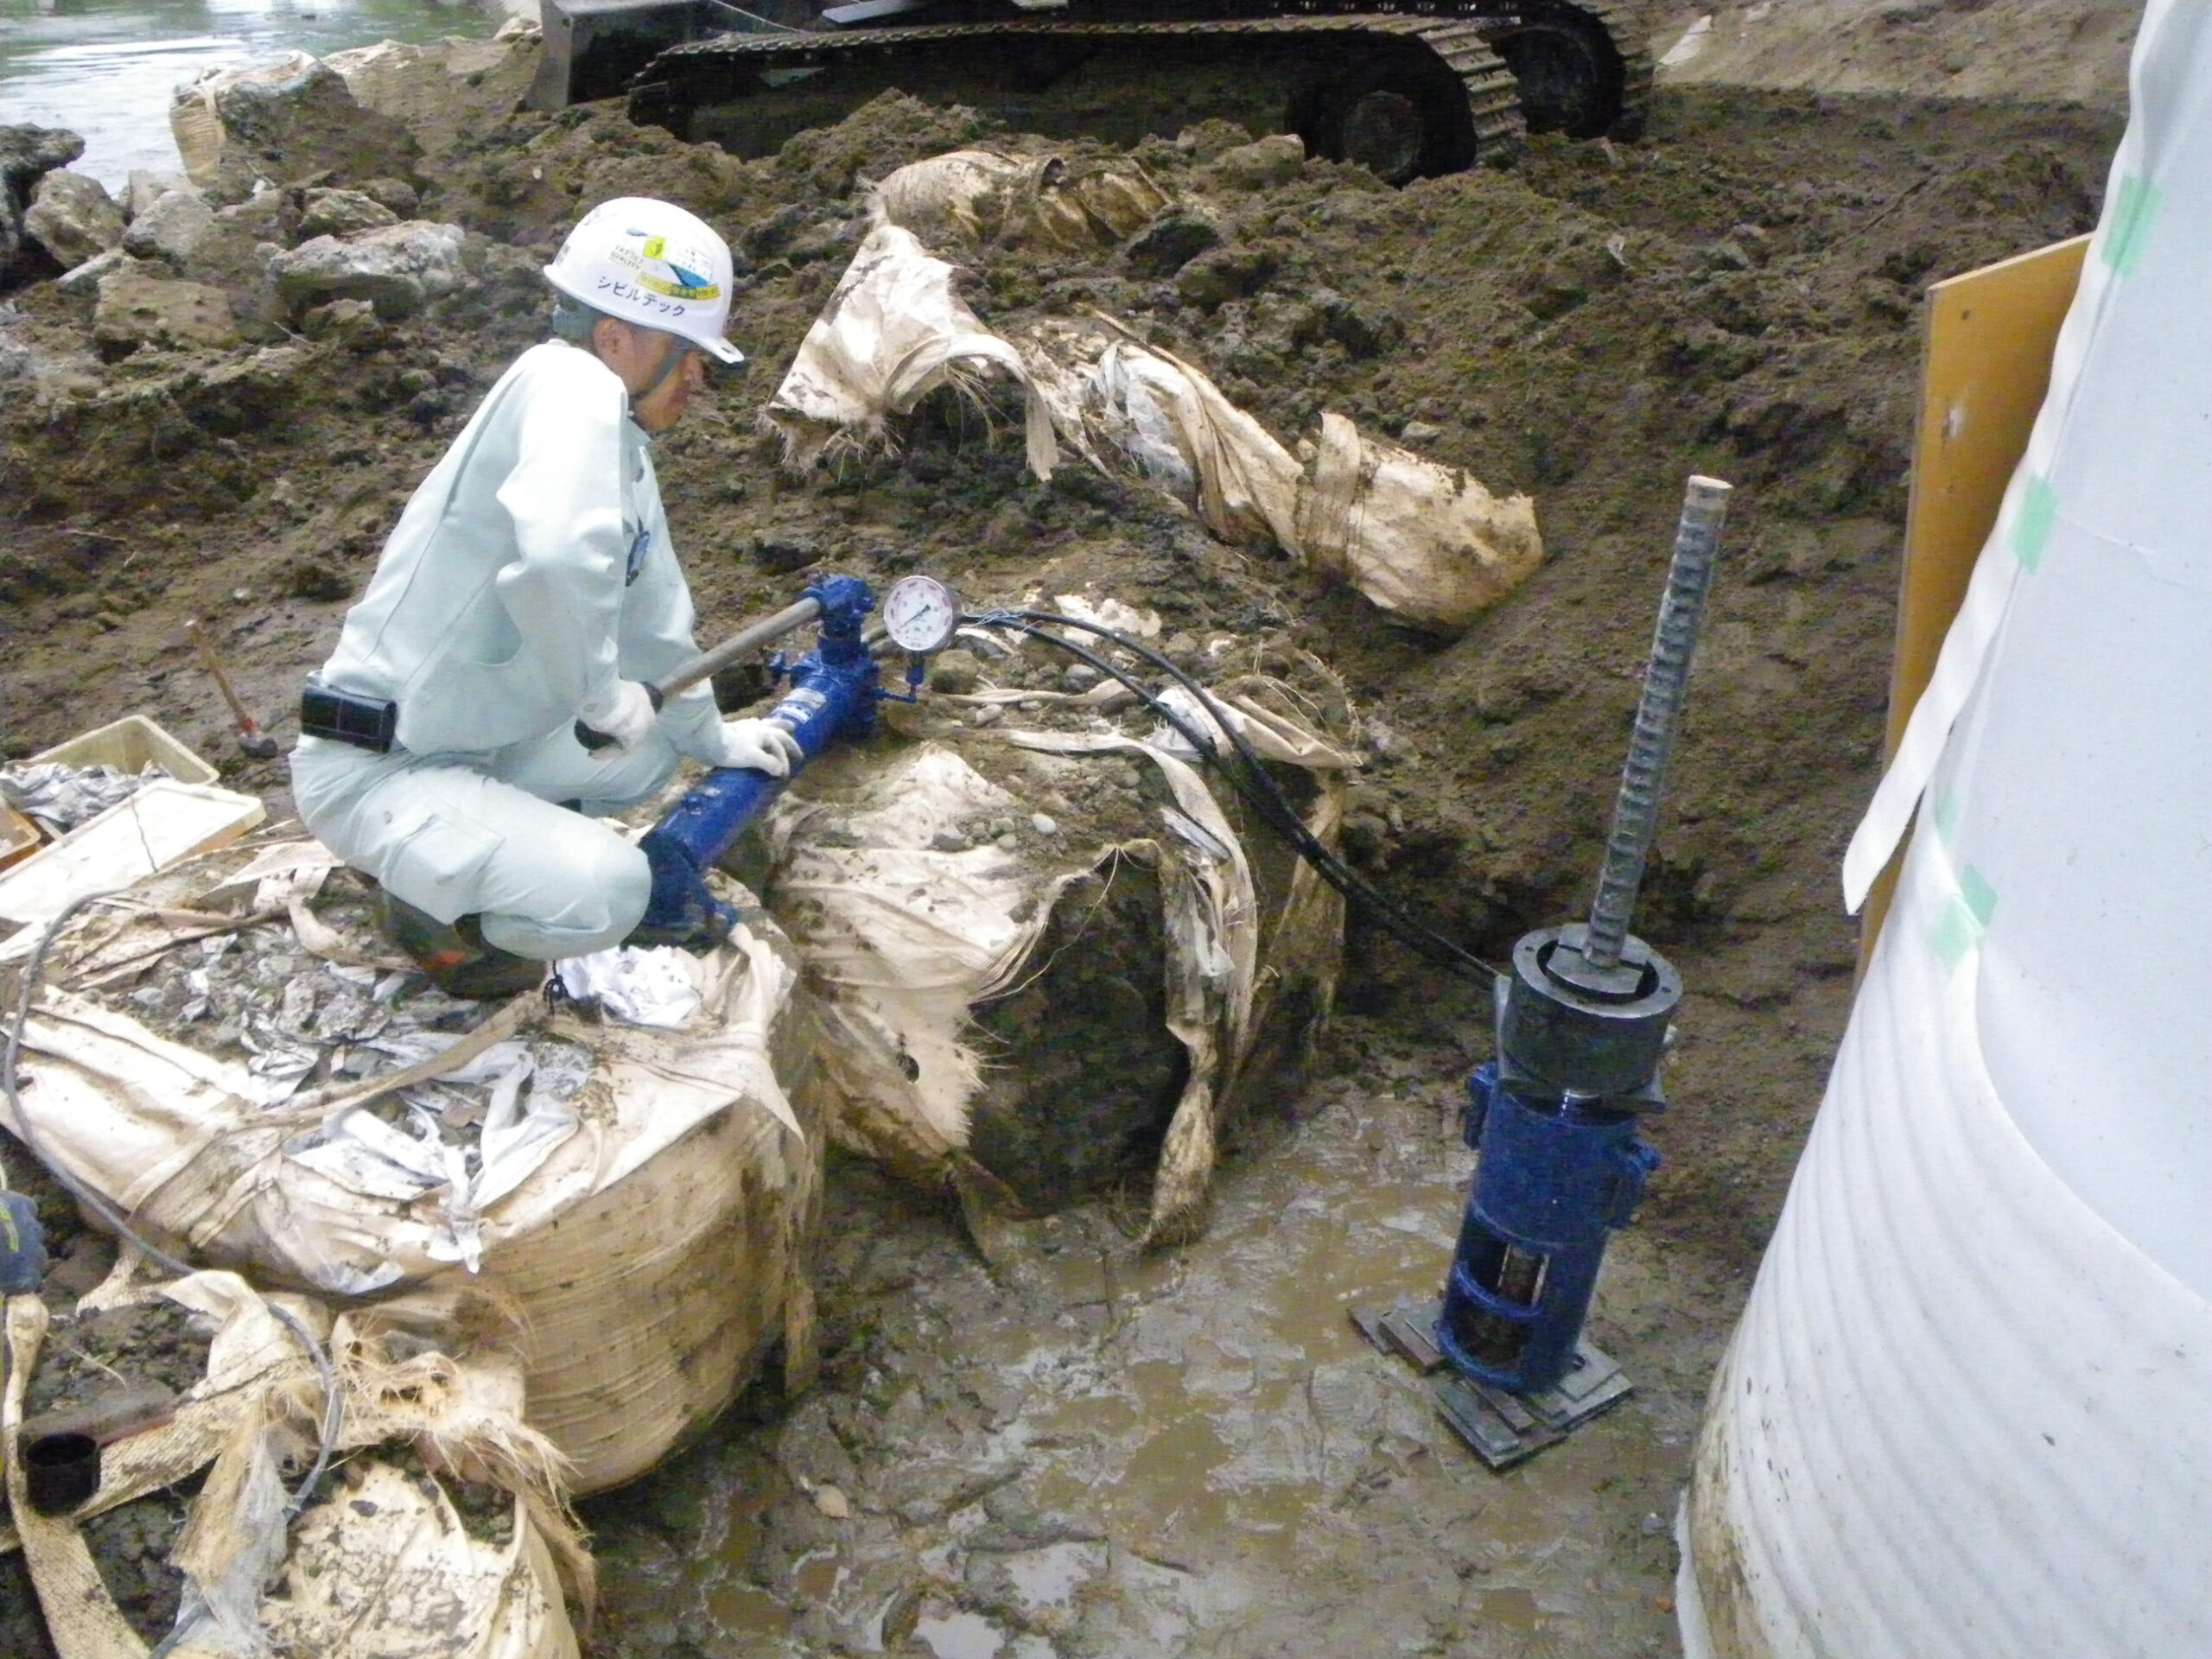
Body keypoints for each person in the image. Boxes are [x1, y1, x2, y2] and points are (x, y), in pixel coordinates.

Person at [290, 197, 801, 996]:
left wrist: (712, 739)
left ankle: (487, 850)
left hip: (470, 747)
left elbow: (657, 622)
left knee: (659, 746)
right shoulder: (568, 384)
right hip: (379, 768)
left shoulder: (620, 442)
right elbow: (562, 559)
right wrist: (598, 695)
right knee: (611, 891)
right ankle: (434, 920)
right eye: (687, 352)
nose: (699, 374)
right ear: (616, 338)